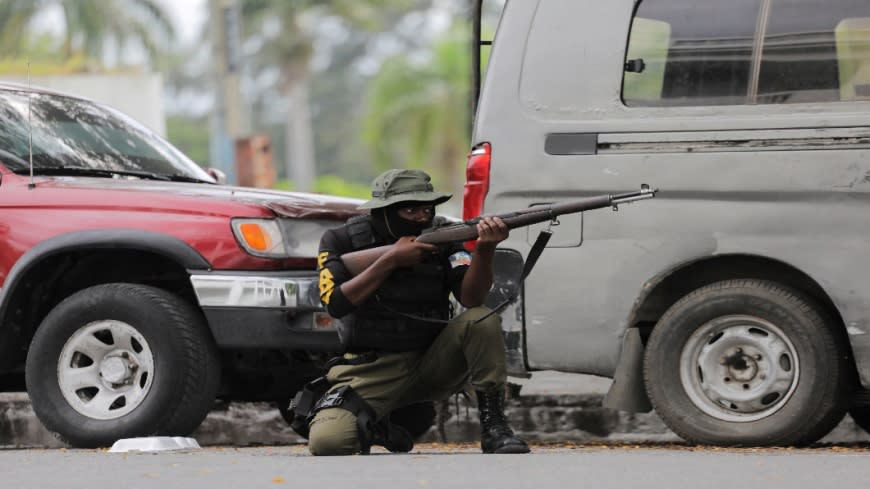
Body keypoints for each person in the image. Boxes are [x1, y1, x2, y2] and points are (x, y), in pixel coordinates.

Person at [310, 168, 530, 455]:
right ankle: (376, 425)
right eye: (411, 210)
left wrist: (485, 250)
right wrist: (390, 261)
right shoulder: (339, 241)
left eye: (427, 209)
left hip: (433, 361)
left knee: (480, 320)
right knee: (328, 443)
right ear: (383, 212)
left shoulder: (444, 235)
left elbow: (472, 299)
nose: (422, 217)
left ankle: (495, 427)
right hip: (371, 368)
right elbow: (336, 304)